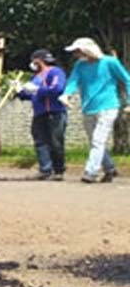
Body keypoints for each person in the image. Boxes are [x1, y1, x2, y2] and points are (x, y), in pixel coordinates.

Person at [60, 37, 130, 183]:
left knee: (98, 140)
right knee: (95, 141)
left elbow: (126, 79)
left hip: (108, 106)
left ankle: (90, 172)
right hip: (88, 107)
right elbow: (73, 80)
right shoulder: (80, 65)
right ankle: (110, 168)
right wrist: (66, 95)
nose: (76, 54)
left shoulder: (110, 62)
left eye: (77, 51)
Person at [14, 49, 68, 180]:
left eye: (33, 61)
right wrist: (20, 90)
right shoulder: (35, 77)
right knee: (40, 141)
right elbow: (31, 94)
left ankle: (59, 171)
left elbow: (57, 89)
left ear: (39, 61)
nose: (32, 64)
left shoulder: (55, 72)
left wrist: (38, 89)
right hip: (39, 112)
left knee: (56, 142)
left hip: (55, 111)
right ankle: (45, 170)